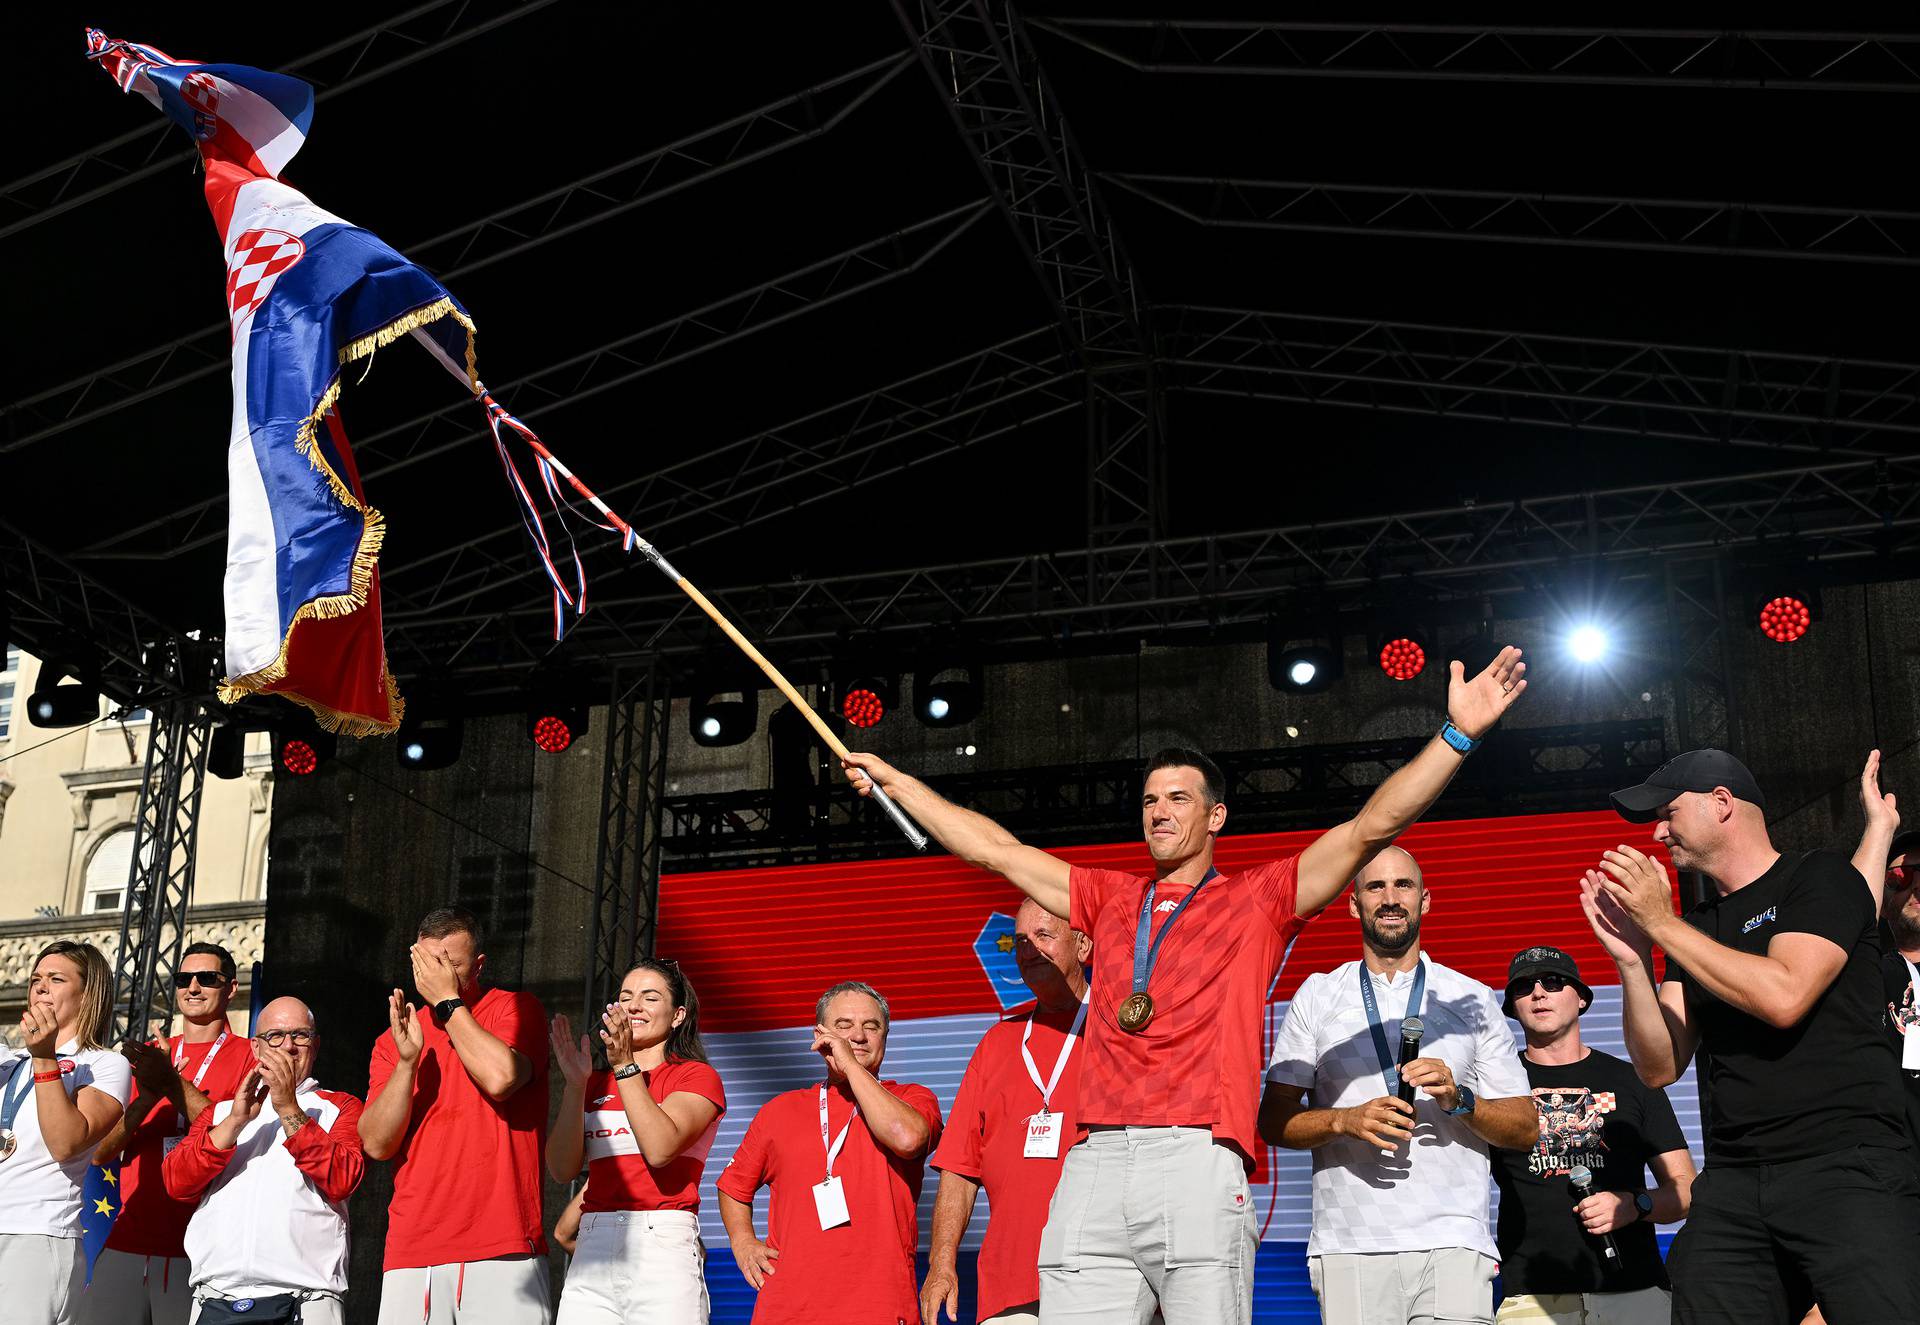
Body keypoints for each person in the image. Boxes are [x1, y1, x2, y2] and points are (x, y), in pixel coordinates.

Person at [845, 644, 1530, 1324]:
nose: (1159, 811)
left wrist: (1458, 733)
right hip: (1096, 1158)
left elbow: (1370, 827)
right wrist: (894, 782)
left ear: (1216, 816)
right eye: (1149, 800)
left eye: (1178, 798)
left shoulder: (1259, 898)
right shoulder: (1107, 896)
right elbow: (993, 849)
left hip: (1198, 1154)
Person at [1584, 747, 1920, 1323]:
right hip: (1735, 1181)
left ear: (1721, 804)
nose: (1659, 832)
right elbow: (1659, 1066)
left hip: (1845, 1165)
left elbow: (1785, 996)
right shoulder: (1697, 930)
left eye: (1668, 812)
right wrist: (1634, 961)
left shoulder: (1818, 877)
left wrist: (1662, 924)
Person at [1258, 846, 1538, 1325]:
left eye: (1403, 885)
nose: (1390, 899)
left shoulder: (1469, 996)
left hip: (1453, 1239)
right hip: (1349, 1244)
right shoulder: (1319, 993)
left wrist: (1460, 1099)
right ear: (1354, 904)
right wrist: (1344, 1120)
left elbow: (1525, 1127)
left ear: (1425, 900)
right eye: (1375, 887)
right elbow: (1273, 1120)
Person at [361, 908, 551, 1325]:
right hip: (414, 1247)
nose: (436, 973)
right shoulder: (395, 1037)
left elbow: (502, 1078)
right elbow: (375, 1143)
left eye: (450, 964)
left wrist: (448, 1003)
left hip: (500, 1242)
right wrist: (407, 1064)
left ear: (479, 965)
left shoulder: (515, 1009)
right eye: (428, 963)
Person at [716, 981, 943, 1325]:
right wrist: (743, 1241)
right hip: (788, 1310)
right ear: (820, 1034)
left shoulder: (913, 1098)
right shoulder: (781, 1110)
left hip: (879, 1307)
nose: (859, 1036)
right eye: (844, 1026)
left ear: (886, 1037)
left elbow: (907, 1138)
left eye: (872, 1026)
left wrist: (851, 1068)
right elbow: (733, 1187)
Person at [1490, 944, 1695, 1325]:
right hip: (1533, 1297)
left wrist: (1636, 1205)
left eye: (1552, 982)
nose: (1538, 993)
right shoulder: (1496, 1087)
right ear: (1512, 1009)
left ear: (1581, 998)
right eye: (1523, 987)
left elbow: (1685, 1190)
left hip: (1635, 1292)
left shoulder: (1633, 1079)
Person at [923, 899, 1093, 1325]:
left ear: (1084, 944)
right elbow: (959, 1169)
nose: (1030, 950)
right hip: (1009, 1287)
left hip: (1104, 1279)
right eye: (1020, 941)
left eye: (1044, 936)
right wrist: (941, 1264)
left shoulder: (1118, 1031)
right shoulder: (997, 1043)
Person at [81, 942, 257, 1325]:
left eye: (207, 978)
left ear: (231, 989)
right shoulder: (146, 1057)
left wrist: (171, 1083)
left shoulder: (251, 1057)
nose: (193, 987)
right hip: (127, 1240)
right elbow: (100, 1153)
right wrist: (145, 1099)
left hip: (201, 1251)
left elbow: (230, 1134)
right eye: (183, 979)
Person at [162, 997, 364, 1323]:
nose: (288, 1046)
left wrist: (287, 1107)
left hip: (306, 1297)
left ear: (316, 1045)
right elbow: (177, 1182)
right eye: (275, 1036)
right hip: (216, 1296)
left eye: (300, 1035)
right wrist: (235, 1122)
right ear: (256, 1048)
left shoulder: (340, 1106)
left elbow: (341, 1178)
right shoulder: (221, 1112)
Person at [546, 958, 726, 1324]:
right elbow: (562, 1169)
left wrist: (625, 1066)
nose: (633, 1006)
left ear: (678, 1016)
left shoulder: (695, 1076)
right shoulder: (594, 1082)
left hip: (661, 1241)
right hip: (593, 1242)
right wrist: (576, 1086)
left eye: (649, 997)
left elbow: (660, 1149)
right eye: (626, 996)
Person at [0, 941, 134, 1325]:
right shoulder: (8, 1061)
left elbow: (66, 1143)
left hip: (36, 1235)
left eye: (56, 979)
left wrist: (44, 1057)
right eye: (36, 979)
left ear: (87, 993)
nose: (41, 987)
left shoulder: (103, 1063)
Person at [1849, 749, 1920, 1161]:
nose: (1916, 887)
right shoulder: (1868, 975)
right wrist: (1879, 828)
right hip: (1895, 1173)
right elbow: (1847, 918)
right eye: (1902, 876)